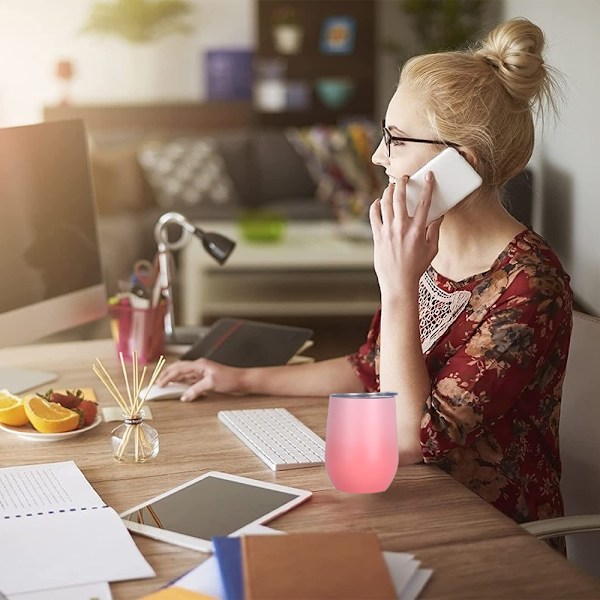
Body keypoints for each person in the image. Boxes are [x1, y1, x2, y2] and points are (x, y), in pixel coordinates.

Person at [157, 17, 572, 541]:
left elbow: (408, 438)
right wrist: (239, 379)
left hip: (488, 535)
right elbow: (371, 370)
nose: (378, 156)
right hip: (406, 504)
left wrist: (398, 286)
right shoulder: (427, 245)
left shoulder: (531, 283)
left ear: (458, 163)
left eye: (395, 140)